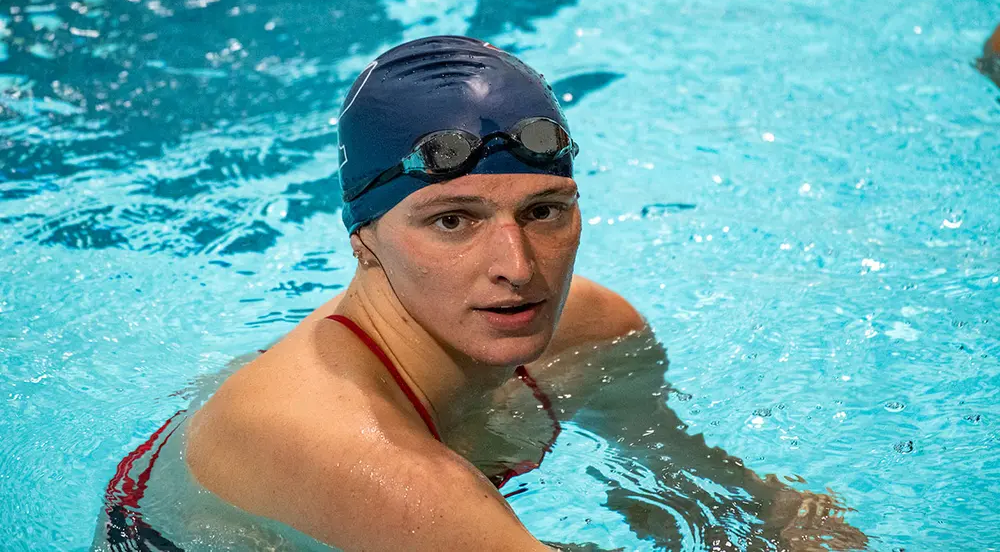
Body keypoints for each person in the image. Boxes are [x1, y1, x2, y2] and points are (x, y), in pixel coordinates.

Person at [104, 36, 867, 552]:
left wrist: (773, 514)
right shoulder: (364, 459)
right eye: (451, 221)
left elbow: (686, 488)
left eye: (544, 211)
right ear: (362, 238)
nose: (518, 266)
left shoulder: (595, 330)